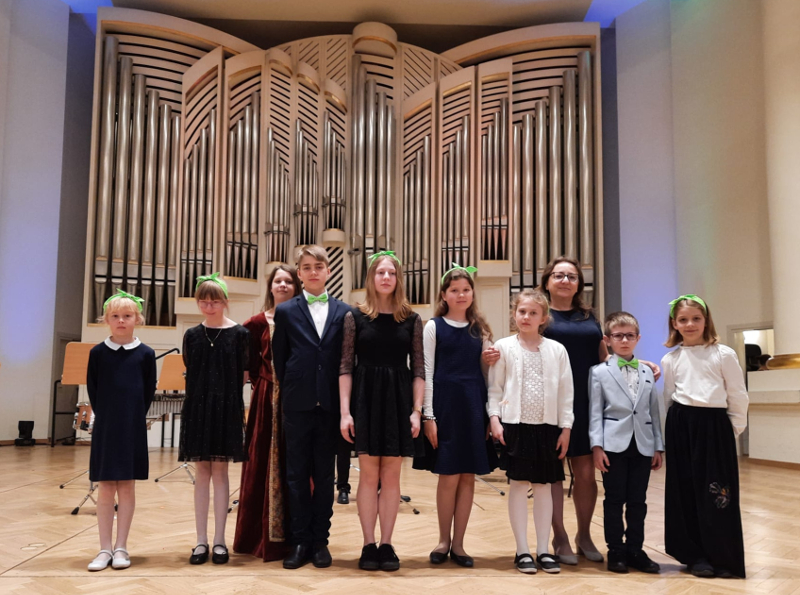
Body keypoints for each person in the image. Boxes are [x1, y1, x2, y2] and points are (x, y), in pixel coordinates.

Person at [537, 256, 659, 564]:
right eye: (559, 275)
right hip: (550, 401)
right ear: (547, 281)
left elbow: (605, 356)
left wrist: (637, 363)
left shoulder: (588, 317)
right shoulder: (541, 315)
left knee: (585, 474)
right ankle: (559, 536)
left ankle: (584, 534)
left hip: (587, 400)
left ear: (579, 283)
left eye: (572, 276)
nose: (565, 280)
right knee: (553, 475)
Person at [339, 251, 424, 571]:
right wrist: (345, 412)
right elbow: (345, 367)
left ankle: (387, 544)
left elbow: (419, 369)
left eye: (391, 273)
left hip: (398, 400)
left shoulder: (411, 319)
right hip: (365, 398)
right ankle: (367, 544)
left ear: (398, 279)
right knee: (368, 476)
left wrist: (416, 411)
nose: (386, 277)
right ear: (371, 278)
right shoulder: (355, 316)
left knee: (391, 476)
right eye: (380, 273)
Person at [272, 245, 351, 570]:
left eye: (319, 266)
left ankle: (320, 541)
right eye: (306, 267)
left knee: (324, 474)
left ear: (328, 271)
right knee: (296, 475)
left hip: (330, 404)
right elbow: (280, 358)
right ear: (299, 273)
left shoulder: (344, 311)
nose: (313, 271)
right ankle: (300, 540)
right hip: (297, 404)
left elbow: (346, 359)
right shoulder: (286, 311)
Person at [414, 263, 496, 568]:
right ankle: (443, 540)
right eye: (454, 290)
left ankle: (459, 543)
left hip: (473, 407)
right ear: (444, 295)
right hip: (446, 407)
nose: (461, 294)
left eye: (466, 289)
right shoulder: (434, 327)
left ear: (472, 293)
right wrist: (429, 416)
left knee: (467, 476)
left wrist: (489, 414)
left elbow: (488, 376)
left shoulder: (481, 330)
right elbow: (428, 372)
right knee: (448, 476)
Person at [661, 294, 748, 579]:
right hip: (681, 426)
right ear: (674, 324)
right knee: (685, 490)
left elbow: (737, 395)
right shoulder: (671, 359)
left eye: (696, 318)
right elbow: (669, 398)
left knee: (717, 492)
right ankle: (694, 555)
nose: (690, 324)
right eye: (683, 319)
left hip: (714, 427)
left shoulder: (723, 354)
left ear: (706, 320)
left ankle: (722, 556)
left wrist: (731, 430)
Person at [488, 289, 573, 575]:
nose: (526, 317)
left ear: (543, 318)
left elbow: (566, 393)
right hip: (516, 426)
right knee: (518, 484)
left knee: (544, 486)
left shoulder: (557, 350)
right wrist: (495, 419)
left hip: (548, 427)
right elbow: (495, 388)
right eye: (522, 311)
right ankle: (522, 549)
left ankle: (544, 549)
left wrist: (566, 428)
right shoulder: (503, 347)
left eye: (533, 313)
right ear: (514, 314)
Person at [233, 265, 302, 561]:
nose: (283, 285)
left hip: (297, 399)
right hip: (265, 400)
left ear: (296, 286)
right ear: (270, 287)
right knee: (262, 461)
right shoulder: (256, 323)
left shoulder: (305, 320)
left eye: (288, 281)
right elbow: (246, 368)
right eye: (278, 281)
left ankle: (298, 538)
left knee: (297, 465)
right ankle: (258, 537)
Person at [179, 273, 249, 566]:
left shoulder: (240, 334)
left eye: (215, 302)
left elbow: (244, 374)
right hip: (198, 408)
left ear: (225, 302)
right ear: (198, 303)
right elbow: (190, 368)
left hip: (226, 409)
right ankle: (200, 540)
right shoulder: (192, 335)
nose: (209, 307)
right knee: (201, 474)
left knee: (220, 473)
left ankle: (220, 540)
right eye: (204, 302)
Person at [86, 290, 156, 571]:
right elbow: (94, 390)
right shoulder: (97, 353)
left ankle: (121, 547)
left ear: (137, 318)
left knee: (127, 486)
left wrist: (132, 417)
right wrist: (107, 417)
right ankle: (104, 548)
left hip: (132, 428)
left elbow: (147, 391)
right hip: (107, 428)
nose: (121, 321)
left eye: (127, 315)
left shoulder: (146, 354)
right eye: (115, 316)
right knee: (105, 487)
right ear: (107, 320)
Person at [589, 311, 663, 575]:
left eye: (629, 336)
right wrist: (597, 447)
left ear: (637, 338)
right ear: (608, 340)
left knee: (638, 501)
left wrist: (658, 446)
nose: (624, 340)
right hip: (613, 446)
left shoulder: (647, 371)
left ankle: (635, 549)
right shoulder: (598, 372)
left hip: (642, 444)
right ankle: (616, 551)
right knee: (614, 499)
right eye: (618, 336)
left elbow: (653, 411)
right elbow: (595, 412)